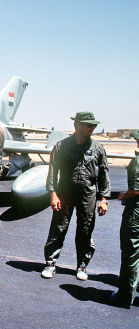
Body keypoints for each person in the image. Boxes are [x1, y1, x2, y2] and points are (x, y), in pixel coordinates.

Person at [41, 112, 110, 280]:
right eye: (88, 124)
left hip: (88, 195)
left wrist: (104, 199)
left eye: (93, 125)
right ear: (77, 125)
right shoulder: (62, 146)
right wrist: (53, 194)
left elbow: (103, 175)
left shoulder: (98, 148)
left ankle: (82, 266)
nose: (92, 127)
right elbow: (52, 172)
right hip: (65, 192)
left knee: (86, 229)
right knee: (58, 227)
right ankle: (50, 263)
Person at [111, 130, 139, 308]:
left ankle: (125, 296)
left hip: (136, 214)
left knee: (131, 255)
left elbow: (136, 190)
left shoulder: (137, 163)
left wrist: (122, 195)